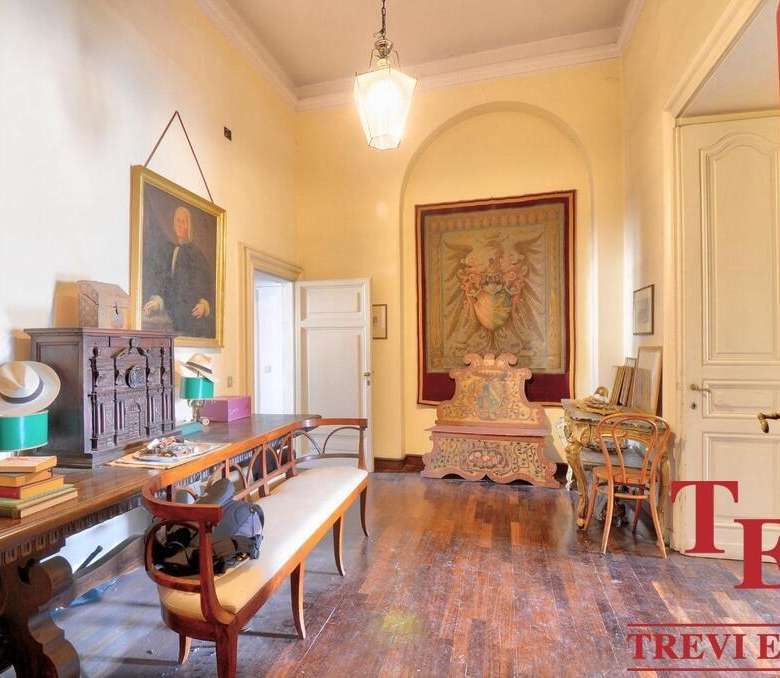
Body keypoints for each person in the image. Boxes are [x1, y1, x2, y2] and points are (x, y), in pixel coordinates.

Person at [143, 206, 215, 337]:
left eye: (183, 221)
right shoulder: (171, 251)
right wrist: (157, 302)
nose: (180, 225)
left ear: (189, 225)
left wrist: (204, 305)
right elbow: (166, 284)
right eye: (177, 221)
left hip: (192, 318)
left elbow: (206, 286)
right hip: (173, 314)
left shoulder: (196, 254)